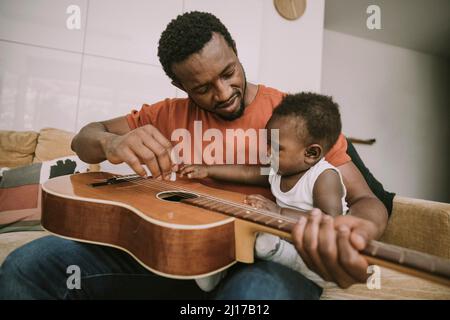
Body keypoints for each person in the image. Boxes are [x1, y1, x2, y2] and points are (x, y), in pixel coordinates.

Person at [0, 11, 389, 299]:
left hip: (259, 259)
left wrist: (354, 231)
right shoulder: (164, 113)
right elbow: (84, 139)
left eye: (229, 72)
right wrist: (110, 144)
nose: (222, 93)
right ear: (178, 83)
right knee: (27, 267)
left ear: (235, 51)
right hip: (162, 254)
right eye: (202, 87)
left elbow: (366, 199)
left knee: (250, 301)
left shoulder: (294, 118)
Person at [180, 92, 349, 291]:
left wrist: (279, 213)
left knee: (265, 242)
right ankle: (218, 266)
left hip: (323, 253)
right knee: (241, 228)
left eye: (276, 147)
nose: (268, 152)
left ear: (311, 154)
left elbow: (329, 221)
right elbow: (246, 172)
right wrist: (208, 170)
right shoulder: (279, 169)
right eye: (268, 143)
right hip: (287, 234)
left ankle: (283, 255)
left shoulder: (324, 177)